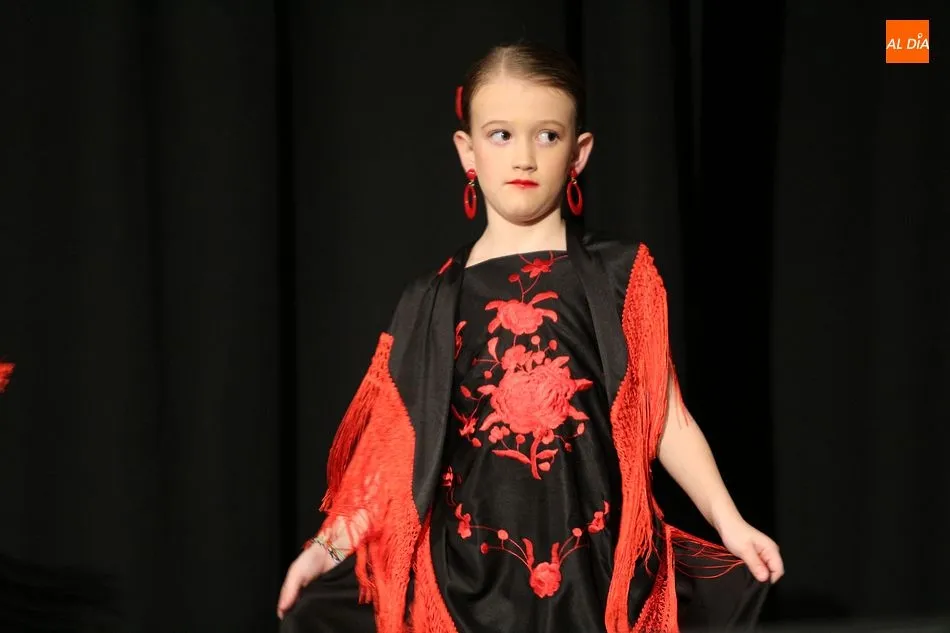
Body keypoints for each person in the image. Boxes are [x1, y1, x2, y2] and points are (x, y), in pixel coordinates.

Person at [277, 41, 784, 633]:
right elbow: (391, 453)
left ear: (578, 152)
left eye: (546, 135)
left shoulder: (621, 275)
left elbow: (665, 418)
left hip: (594, 575)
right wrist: (325, 550)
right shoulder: (430, 299)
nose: (523, 157)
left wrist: (729, 523)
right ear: (467, 150)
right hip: (466, 581)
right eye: (500, 135)